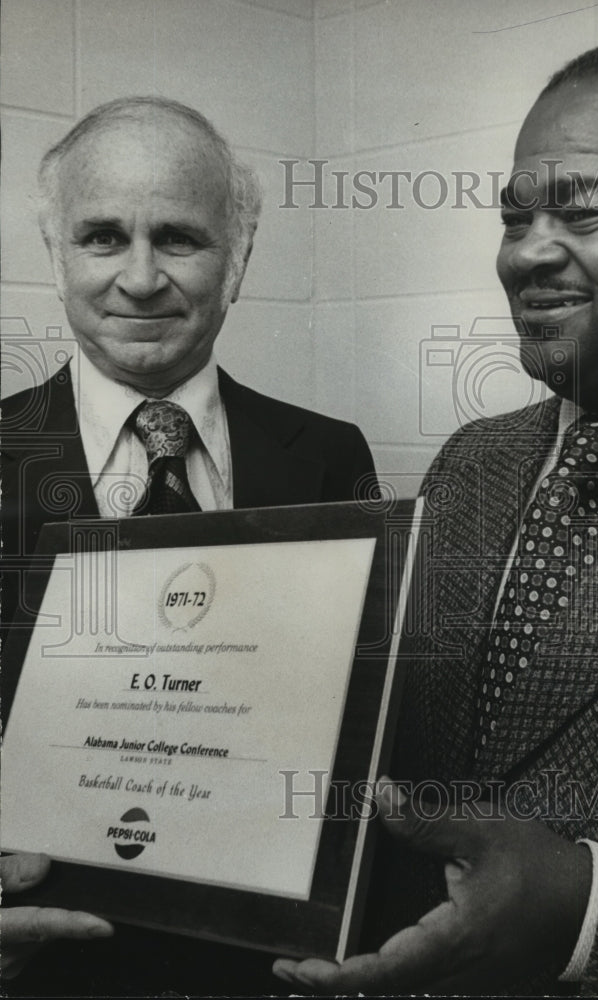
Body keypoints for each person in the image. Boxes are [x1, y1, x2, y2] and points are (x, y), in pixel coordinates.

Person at [273, 38, 598, 996]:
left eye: (584, 212)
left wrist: (589, 909)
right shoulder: (471, 465)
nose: (528, 253)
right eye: (517, 217)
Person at [1, 96, 376, 996]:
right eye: (101, 237)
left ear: (238, 259)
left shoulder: (329, 455)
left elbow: (362, 727)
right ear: (55, 257)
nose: (139, 278)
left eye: (179, 238)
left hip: (269, 964)